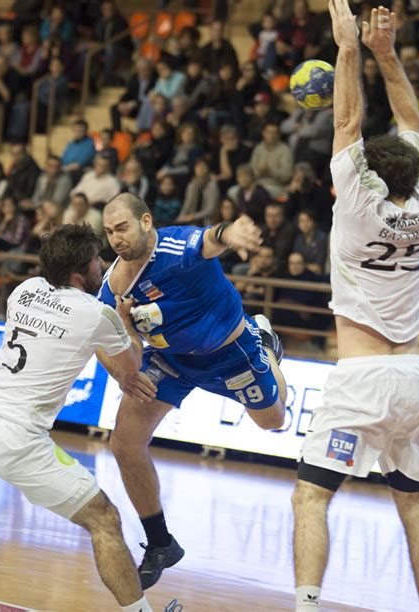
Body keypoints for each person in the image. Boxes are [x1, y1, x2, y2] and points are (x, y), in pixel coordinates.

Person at [292, 3, 419, 611]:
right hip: (413, 378)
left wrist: (349, 47)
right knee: (413, 504)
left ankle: (305, 604)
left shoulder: (356, 201)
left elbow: (348, 122)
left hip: (360, 380)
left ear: (372, 177)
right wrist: (386, 52)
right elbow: (410, 117)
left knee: (311, 499)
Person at [97, 192, 287, 590]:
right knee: (124, 442)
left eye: (123, 228)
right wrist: (125, 360)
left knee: (273, 421)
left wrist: (232, 231)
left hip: (230, 353)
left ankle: (266, 345)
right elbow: (106, 343)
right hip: (172, 361)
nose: (116, 238)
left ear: (146, 221)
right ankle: (161, 542)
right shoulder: (114, 284)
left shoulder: (175, 245)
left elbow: (210, 239)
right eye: (109, 231)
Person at [0, 224, 154, 611]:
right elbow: (132, 361)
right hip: (21, 439)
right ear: (82, 271)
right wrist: (128, 322)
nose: (102, 265)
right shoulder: (97, 313)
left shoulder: (23, 290)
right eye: (98, 260)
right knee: (105, 520)